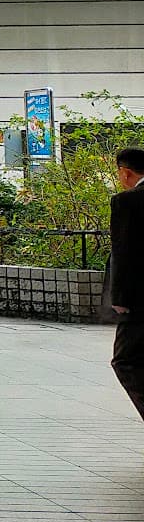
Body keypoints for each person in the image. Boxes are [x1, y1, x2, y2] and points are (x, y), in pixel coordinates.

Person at [107, 148, 144, 419]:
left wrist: (118, 297)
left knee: (126, 361)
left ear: (126, 172)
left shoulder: (127, 202)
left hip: (140, 300)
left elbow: (123, 251)